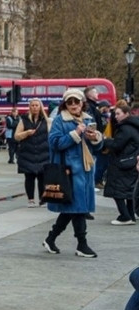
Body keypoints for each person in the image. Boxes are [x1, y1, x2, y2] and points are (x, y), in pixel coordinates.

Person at [42, 88, 103, 258]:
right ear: (65, 104)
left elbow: (97, 147)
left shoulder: (88, 119)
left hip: (85, 170)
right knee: (78, 209)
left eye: (77, 101)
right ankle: (82, 245)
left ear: (82, 103)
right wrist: (75, 134)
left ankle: (51, 238)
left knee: (73, 209)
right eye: (70, 102)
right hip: (69, 171)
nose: (74, 105)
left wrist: (95, 138)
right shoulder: (60, 121)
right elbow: (54, 143)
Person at [102, 100, 139, 224]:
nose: (115, 116)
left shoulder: (125, 129)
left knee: (116, 190)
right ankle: (131, 216)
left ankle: (125, 216)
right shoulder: (134, 126)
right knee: (128, 191)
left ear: (126, 114)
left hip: (122, 162)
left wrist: (105, 140)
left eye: (118, 114)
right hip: (131, 161)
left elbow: (117, 145)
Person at [13, 99, 49, 207]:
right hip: (27, 153)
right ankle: (31, 199)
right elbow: (16, 136)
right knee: (29, 177)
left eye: (36, 105)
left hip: (43, 153)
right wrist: (27, 133)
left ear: (40, 107)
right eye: (32, 105)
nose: (34, 107)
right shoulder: (23, 120)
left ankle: (43, 198)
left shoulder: (46, 121)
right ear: (29, 107)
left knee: (42, 177)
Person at [84, 87, 108, 187]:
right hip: (91, 138)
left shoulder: (94, 107)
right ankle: (92, 183)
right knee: (92, 162)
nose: (97, 94)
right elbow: (92, 124)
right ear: (89, 95)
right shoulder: (89, 107)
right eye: (95, 92)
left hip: (96, 138)